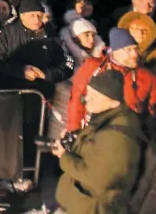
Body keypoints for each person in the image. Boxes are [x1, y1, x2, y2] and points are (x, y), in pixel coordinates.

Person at [54, 70, 142, 213]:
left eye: (95, 96)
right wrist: (76, 139)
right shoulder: (106, 118)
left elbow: (96, 178)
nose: (88, 98)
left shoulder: (118, 138)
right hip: (81, 204)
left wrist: (63, 156)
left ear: (114, 102)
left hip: (92, 208)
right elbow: (97, 150)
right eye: (88, 92)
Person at [67, 27, 156, 132]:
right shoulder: (93, 67)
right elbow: (77, 99)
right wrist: (74, 130)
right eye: (128, 50)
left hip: (126, 137)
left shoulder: (149, 78)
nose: (135, 54)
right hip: (92, 132)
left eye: (136, 49)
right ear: (115, 51)